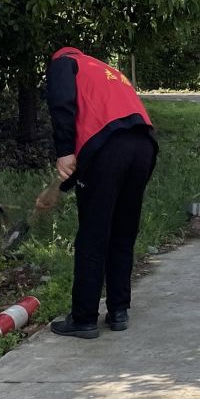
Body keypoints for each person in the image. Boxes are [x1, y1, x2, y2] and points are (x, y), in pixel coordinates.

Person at [44, 46, 157, 339]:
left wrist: (65, 150)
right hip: (143, 145)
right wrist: (63, 186)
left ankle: (83, 318)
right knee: (122, 231)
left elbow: (62, 104)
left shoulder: (63, 63)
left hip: (108, 149)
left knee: (93, 235)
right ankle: (118, 311)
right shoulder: (104, 69)